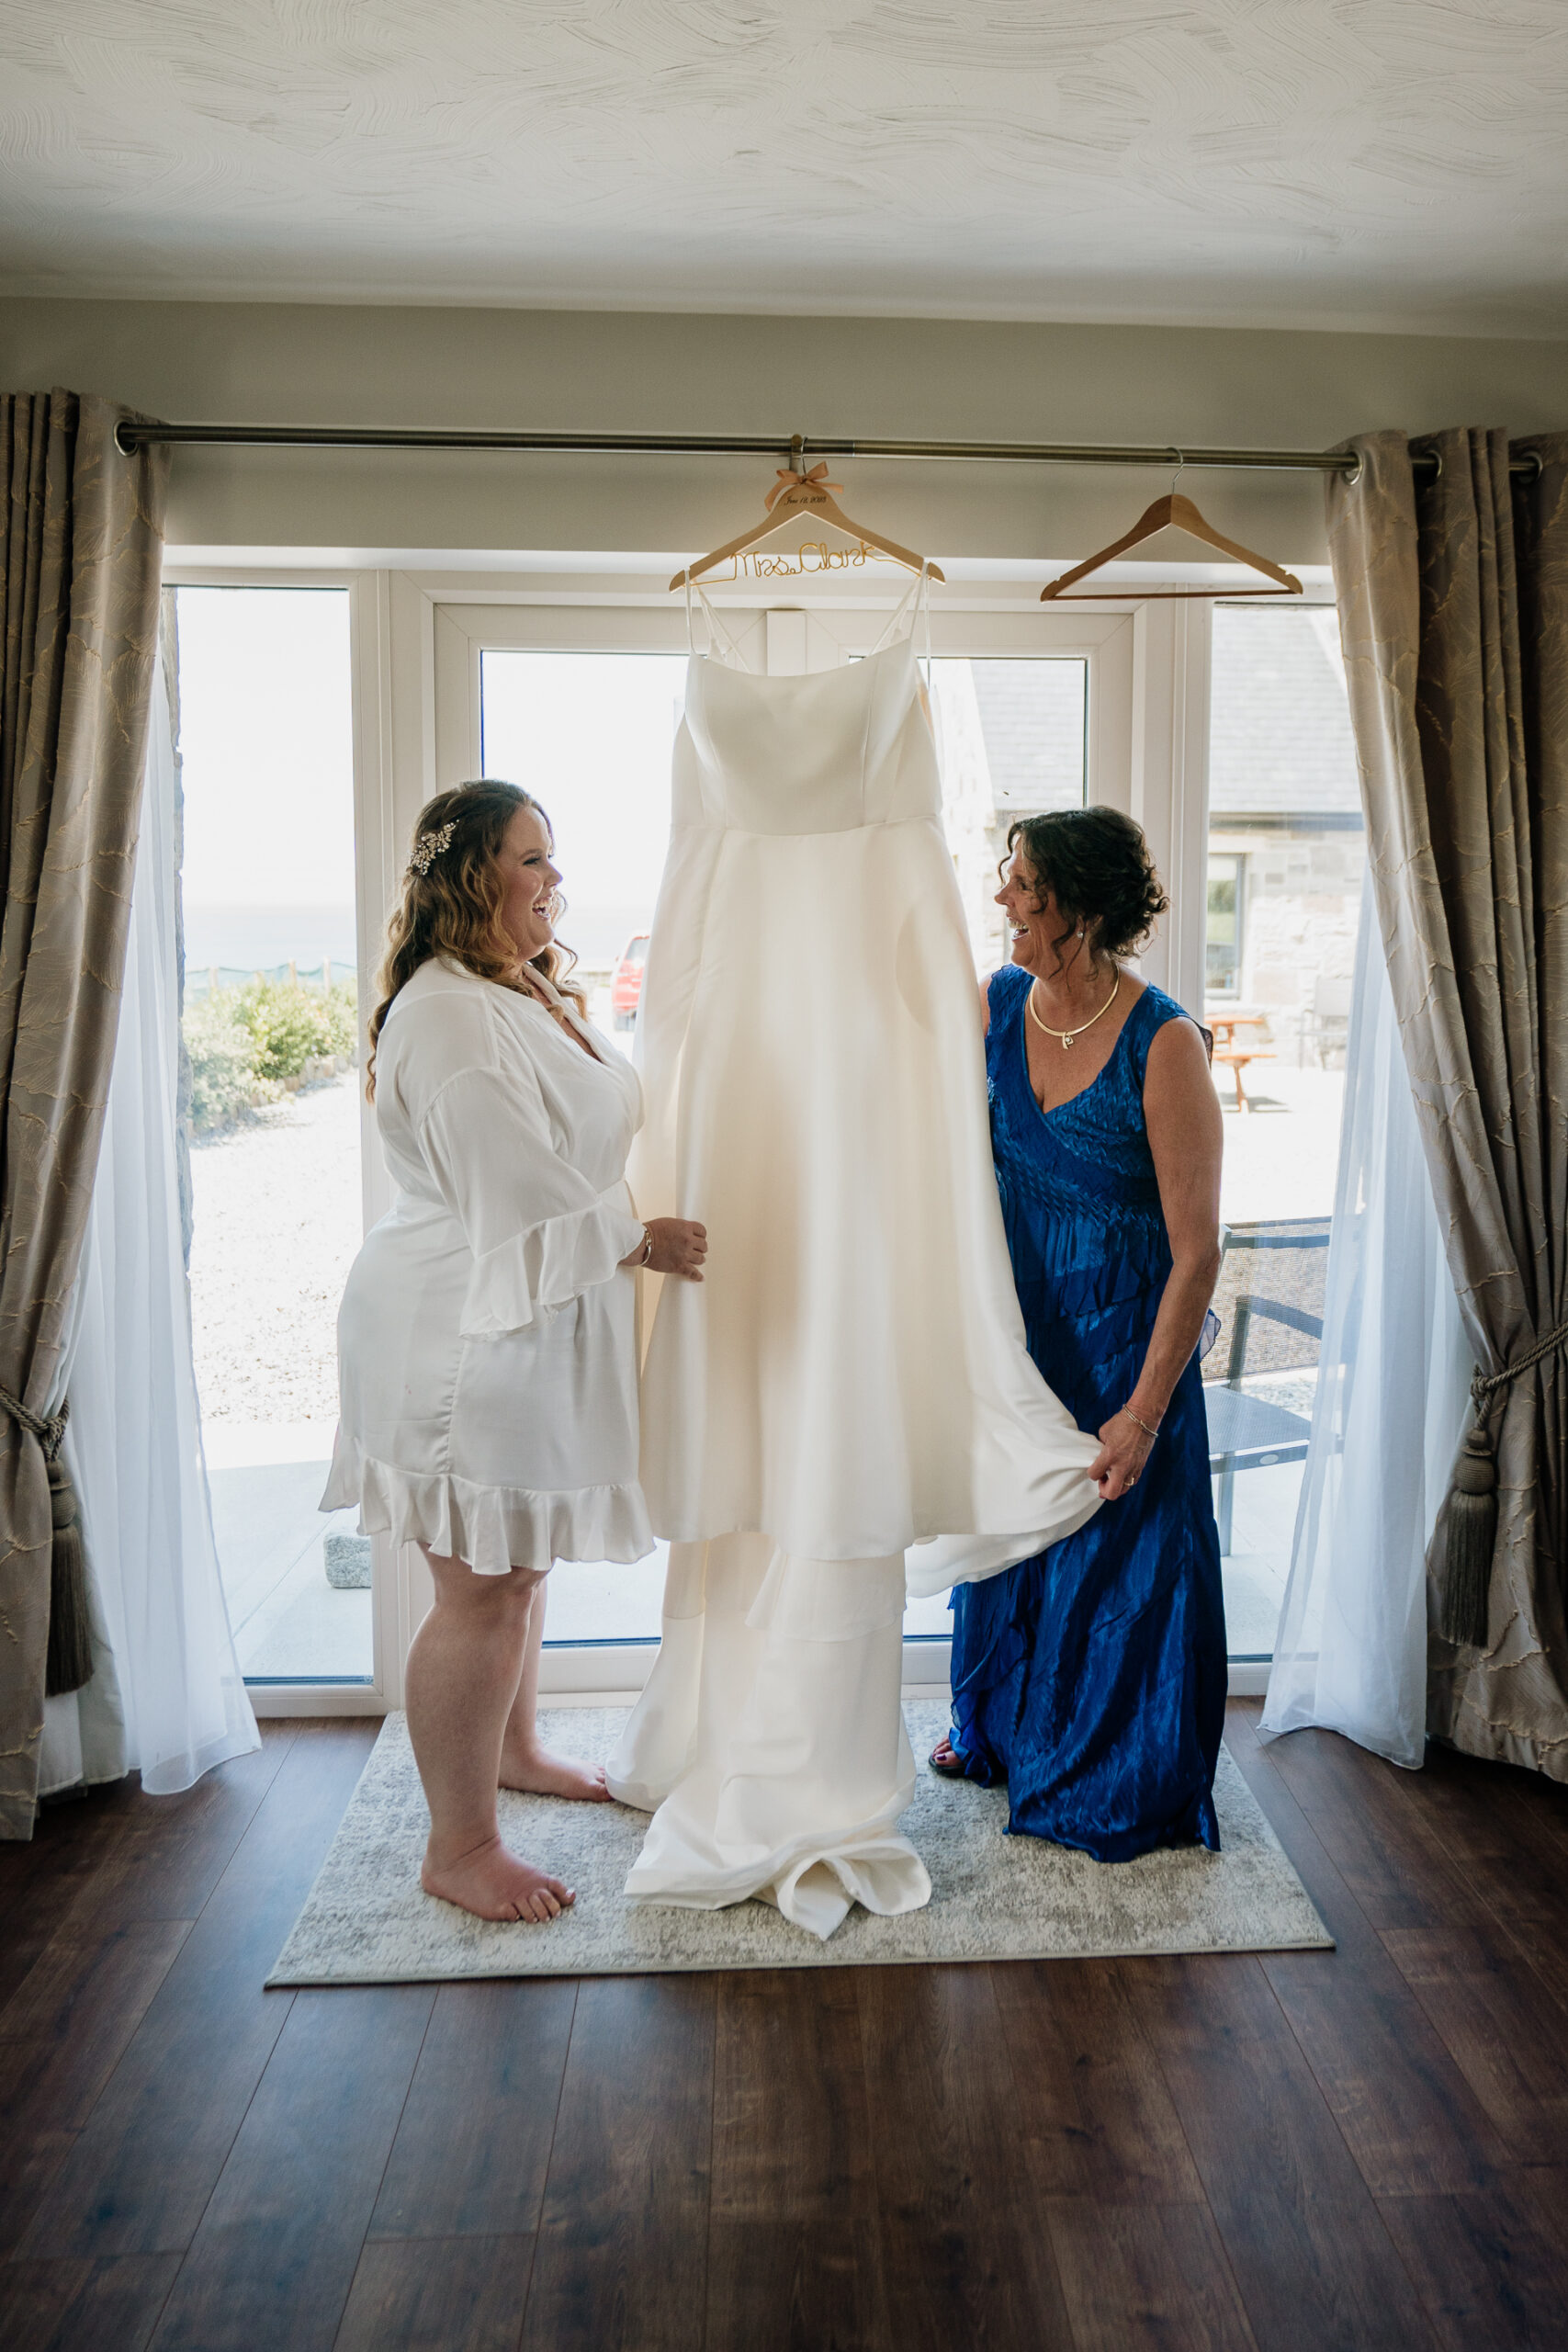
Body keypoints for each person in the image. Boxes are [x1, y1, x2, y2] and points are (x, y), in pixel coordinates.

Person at [321, 781, 705, 1922]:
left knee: (515, 1565)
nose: (554, 881)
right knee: (480, 1587)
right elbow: (510, 1188)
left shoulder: (523, 985)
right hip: (453, 1334)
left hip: (523, 1320)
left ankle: (518, 1746)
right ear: (471, 874)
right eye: (532, 859)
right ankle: (460, 1844)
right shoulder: (442, 1012)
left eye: (553, 857)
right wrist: (639, 1237)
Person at [931, 806, 1228, 1858]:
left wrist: (1143, 1416)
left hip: (1122, 1366)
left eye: (1022, 883)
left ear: (1081, 907)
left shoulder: (1168, 1043)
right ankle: (1003, 1732)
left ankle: (1117, 1770)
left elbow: (1197, 1253)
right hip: (1022, 1352)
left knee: (1116, 1584)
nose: (1003, 897)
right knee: (1015, 1557)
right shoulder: (997, 1001)